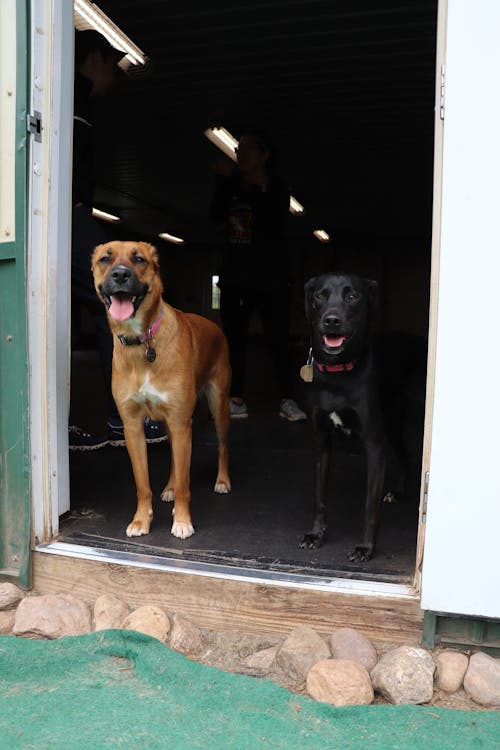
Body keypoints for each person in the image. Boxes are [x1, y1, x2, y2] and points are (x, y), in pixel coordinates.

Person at [69, 30, 167, 449]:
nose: (115, 75)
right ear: (94, 60)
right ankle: (121, 416)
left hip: (70, 215)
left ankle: (102, 417)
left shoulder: (79, 102)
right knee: (116, 301)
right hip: (63, 217)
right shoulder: (66, 97)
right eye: (112, 64)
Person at [210, 129, 306, 421]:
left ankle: (288, 400)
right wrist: (226, 183)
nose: (242, 153)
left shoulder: (277, 186)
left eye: (250, 148)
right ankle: (235, 397)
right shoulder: (230, 185)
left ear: (265, 155)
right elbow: (214, 216)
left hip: (271, 277)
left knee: (278, 340)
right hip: (235, 276)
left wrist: (252, 190)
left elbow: (273, 223)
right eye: (239, 148)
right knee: (234, 340)